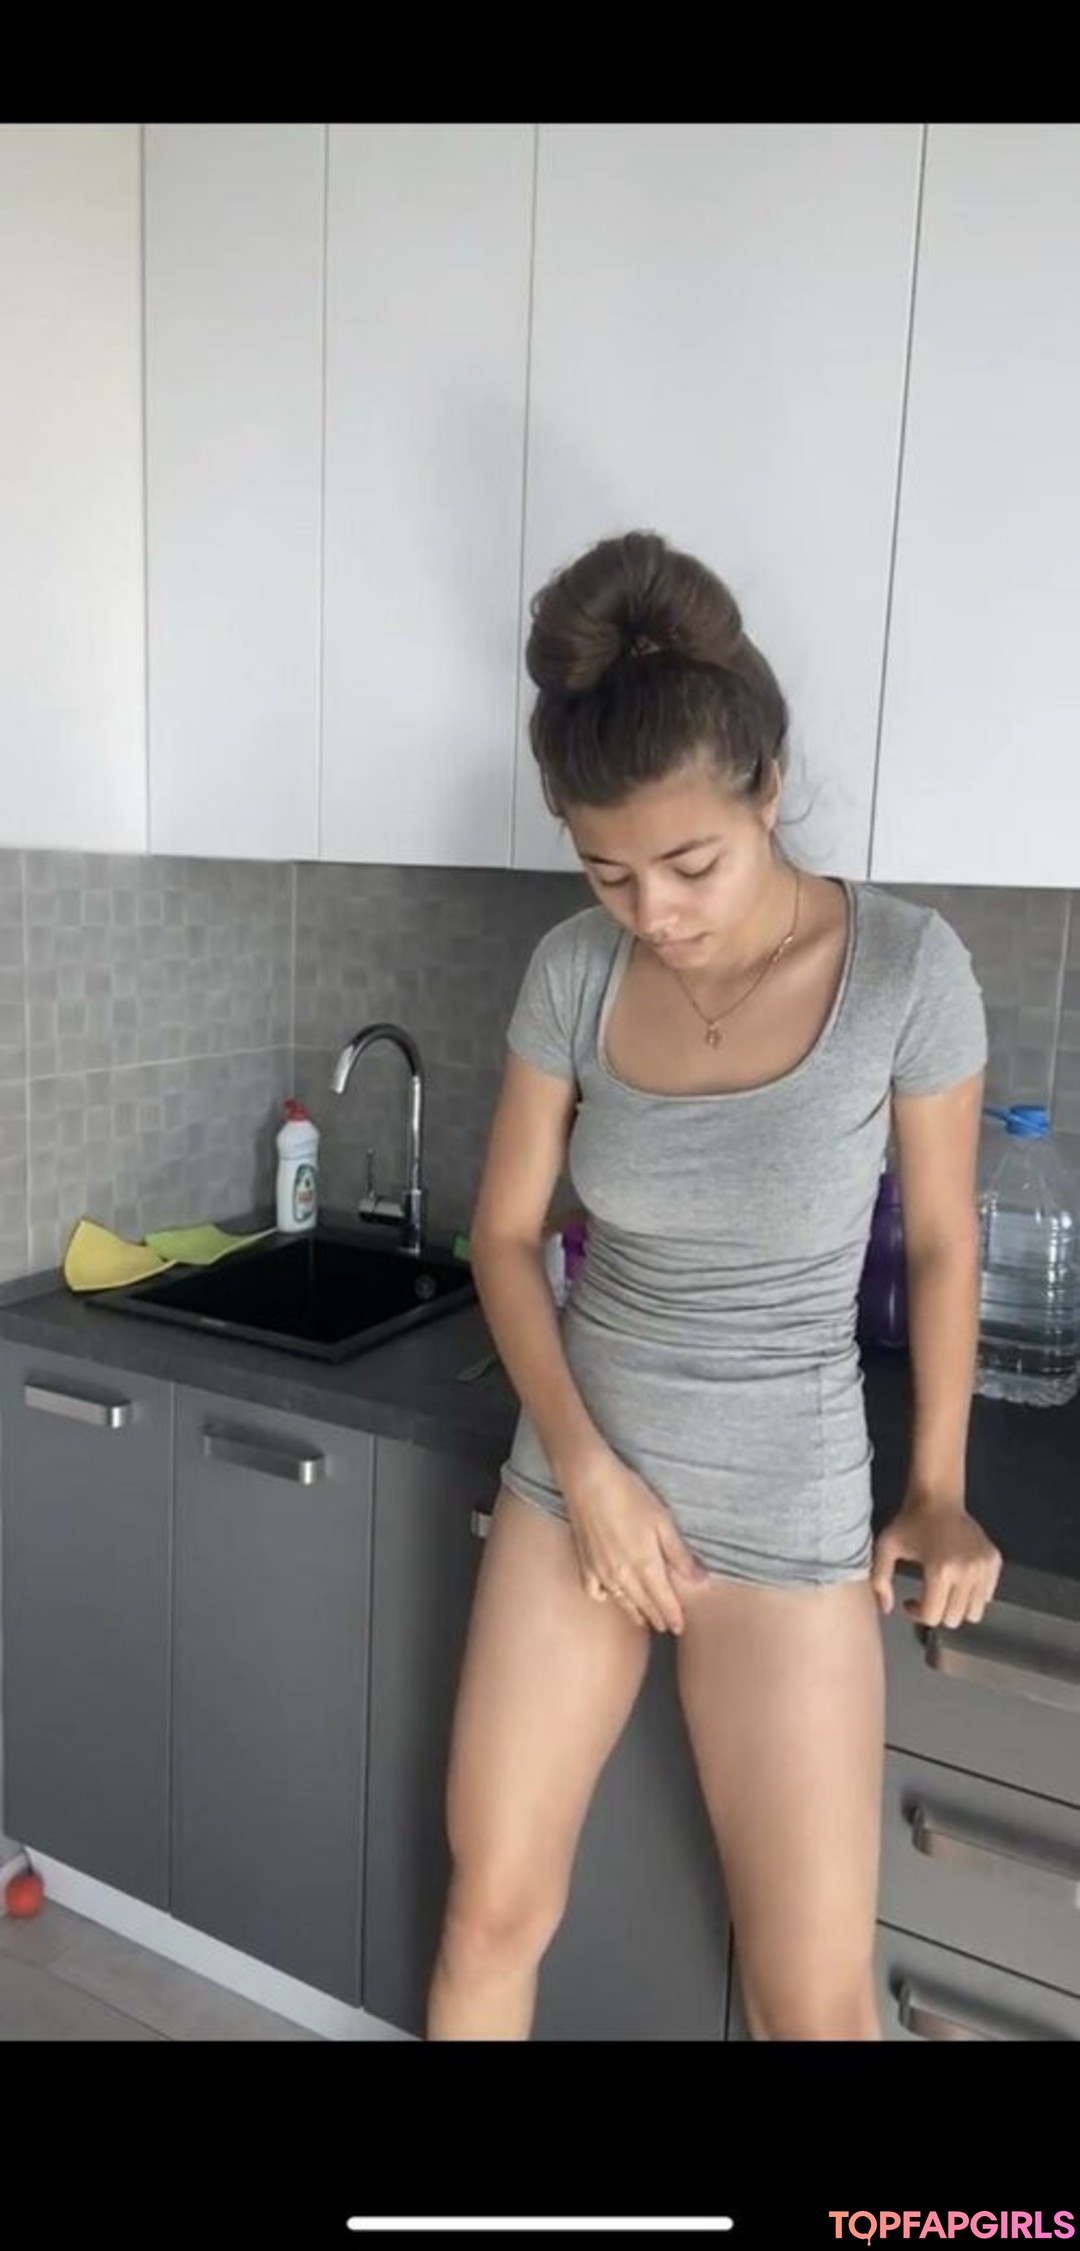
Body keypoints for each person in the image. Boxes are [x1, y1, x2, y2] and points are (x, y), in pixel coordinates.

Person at [426, 529, 1003, 2042]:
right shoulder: (574, 970)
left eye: (690, 865)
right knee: (490, 1911)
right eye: (607, 871)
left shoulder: (907, 971)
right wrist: (586, 1473)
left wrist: (938, 1487)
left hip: (785, 1501)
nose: (654, 913)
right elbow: (504, 1236)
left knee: (812, 2003)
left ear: (768, 786)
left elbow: (943, 1243)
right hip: (578, 1476)